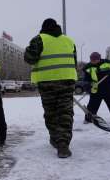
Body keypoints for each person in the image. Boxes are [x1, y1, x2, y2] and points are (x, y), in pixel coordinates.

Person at [24, 18, 77, 158]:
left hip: (47, 83)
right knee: (65, 112)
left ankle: (56, 139)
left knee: (51, 113)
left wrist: (28, 50)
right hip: (67, 80)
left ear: (43, 28)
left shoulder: (39, 39)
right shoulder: (69, 41)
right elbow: (74, 62)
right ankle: (63, 144)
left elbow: (30, 58)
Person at [83, 52, 110, 124]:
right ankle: (89, 118)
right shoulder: (88, 67)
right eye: (92, 60)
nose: (93, 62)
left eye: (95, 60)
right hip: (96, 89)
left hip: (109, 88)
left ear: (99, 59)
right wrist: (87, 86)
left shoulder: (108, 63)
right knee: (92, 105)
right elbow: (86, 79)